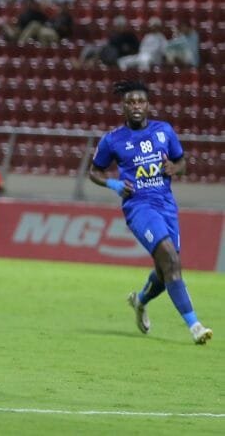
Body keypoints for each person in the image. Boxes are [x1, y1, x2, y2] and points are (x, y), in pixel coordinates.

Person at [89, 80, 212, 345]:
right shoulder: (113, 139)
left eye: (140, 101)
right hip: (139, 207)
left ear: (148, 105)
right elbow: (94, 171)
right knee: (171, 260)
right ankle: (195, 326)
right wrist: (114, 184)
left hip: (166, 205)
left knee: (166, 269)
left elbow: (181, 161)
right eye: (130, 102)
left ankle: (140, 300)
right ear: (123, 107)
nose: (136, 106)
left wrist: (175, 169)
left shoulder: (164, 131)